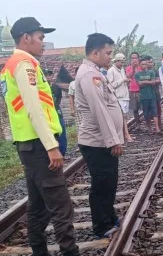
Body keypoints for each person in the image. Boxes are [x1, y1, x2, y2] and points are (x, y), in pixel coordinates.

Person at [0, 17, 95, 256]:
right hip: (39, 146)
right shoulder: (24, 64)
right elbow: (34, 108)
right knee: (60, 204)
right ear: (26, 37)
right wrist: (52, 146)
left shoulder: (11, 65)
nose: (43, 43)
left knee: (38, 204)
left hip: (27, 145)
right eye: (40, 37)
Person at [74, 33, 125, 239]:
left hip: (101, 140)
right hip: (97, 142)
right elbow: (99, 109)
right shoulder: (89, 75)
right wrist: (112, 140)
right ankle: (101, 225)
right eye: (107, 53)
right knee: (102, 183)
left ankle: (109, 216)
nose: (109, 57)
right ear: (95, 53)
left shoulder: (95, 72)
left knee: (109, 181)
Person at [135, 55, 161, 133]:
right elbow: (139, 84)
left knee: (155, 112)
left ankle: (157, 128)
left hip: (152, 95)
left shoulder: (151, 72)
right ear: (140, 65)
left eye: (145, 64)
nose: (144, 66)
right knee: (146, 114)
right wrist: (148, 81)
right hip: (143, 97)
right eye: (142, 64)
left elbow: (153, 82)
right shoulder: (137, 74)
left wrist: (144, 82)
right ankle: (150, 128)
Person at [48, 71, 68, 157]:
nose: (48, 77)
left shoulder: (56, 87)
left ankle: (63, 153)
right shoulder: (40, 88)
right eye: (46, 75)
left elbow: (59, 98)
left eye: (50, 75)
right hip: (48, 115)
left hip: (57, 112)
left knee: (62, 132)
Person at [106, 53, 131, 119]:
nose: (122, 64)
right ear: (116, 61)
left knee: (125, 116)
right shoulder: (111, 71)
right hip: (118, 98)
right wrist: (122, 80)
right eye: (121, 62)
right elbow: (110, 85)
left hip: (125, 96)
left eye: (123, 62)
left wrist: (126, 82)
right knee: (121, 116)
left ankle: (125, 129)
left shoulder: (122, 70)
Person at [125, 52, 143, 121]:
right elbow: (128, 76)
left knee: (144, 107)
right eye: (132, 58)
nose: (134, 60)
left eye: (136, 58)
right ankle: (138, 123)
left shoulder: (142, 67)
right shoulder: (128, 68)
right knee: (135, 109)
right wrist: (133, 68)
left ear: (139, 59)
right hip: (132, 91)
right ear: (130, 59)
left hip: (141, 90)